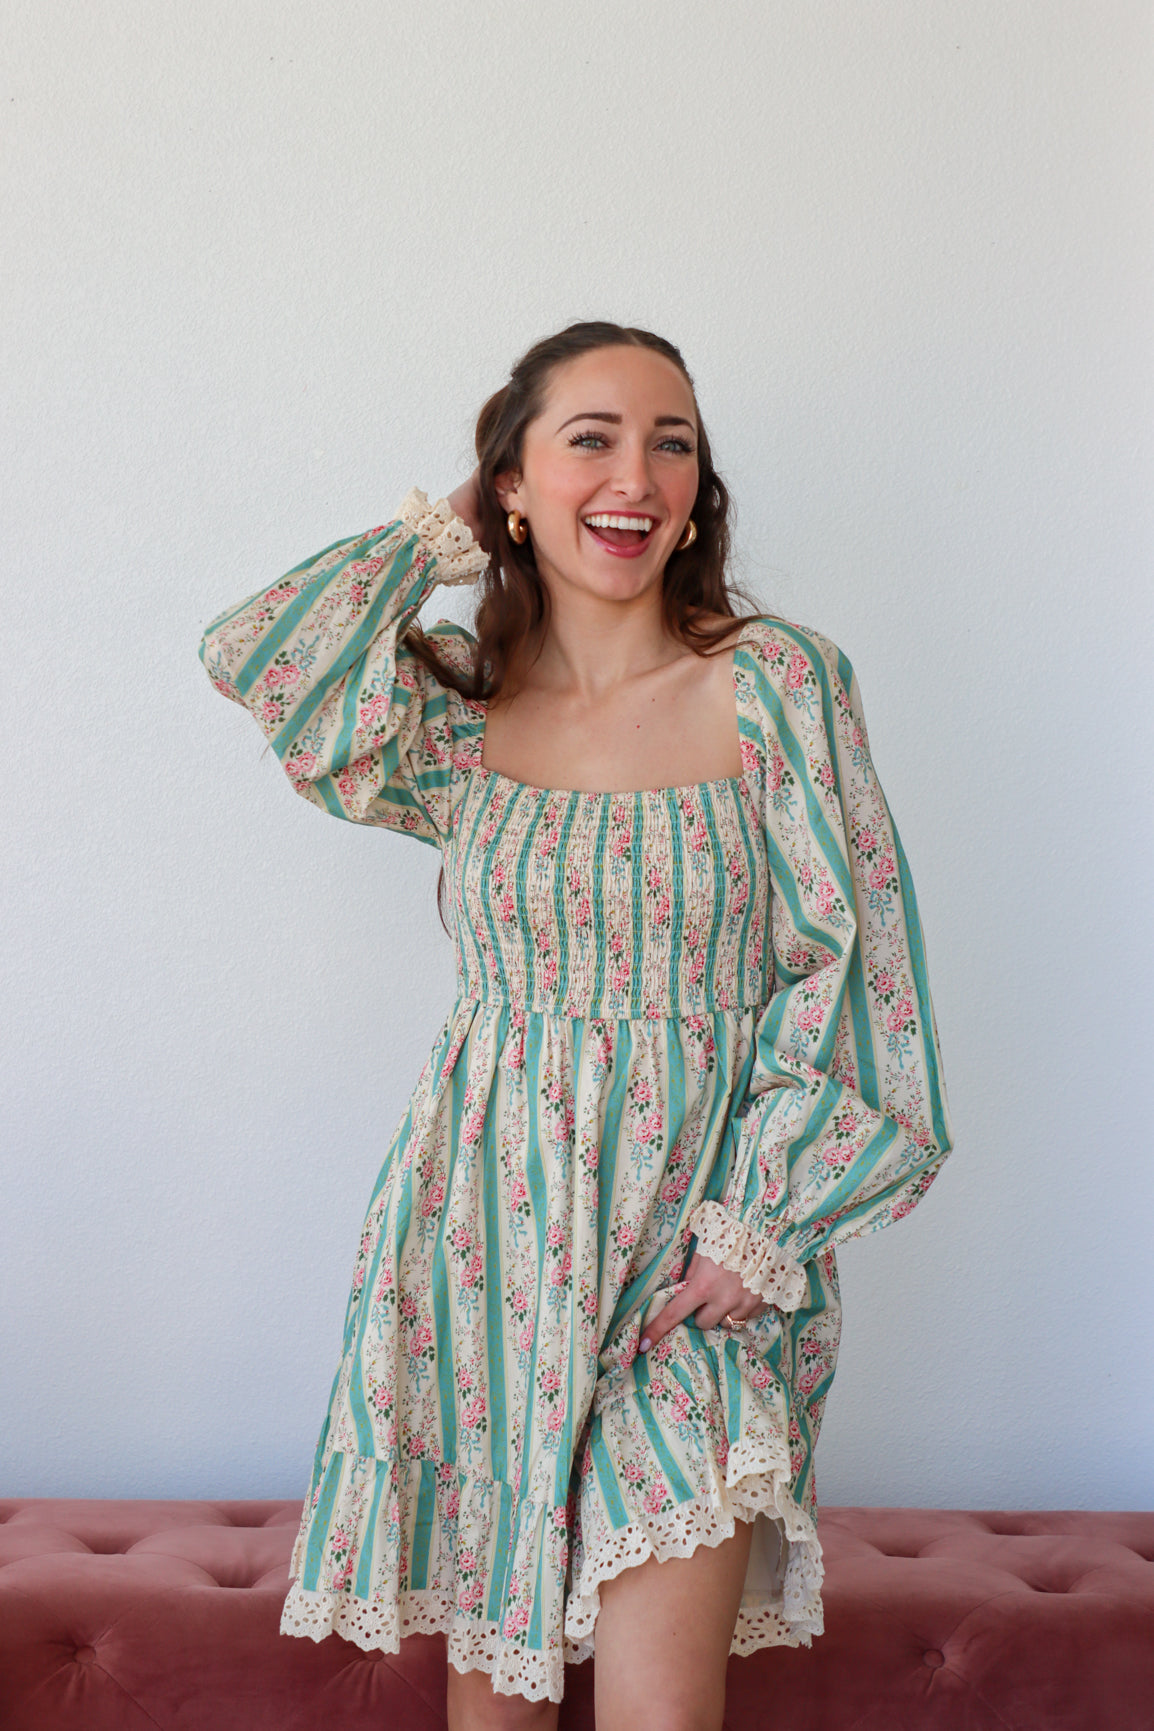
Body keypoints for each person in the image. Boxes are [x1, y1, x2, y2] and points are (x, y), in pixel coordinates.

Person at [198, 320, 954, 1731]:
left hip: (698, 1261)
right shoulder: (459, 721)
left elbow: (861, 974)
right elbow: (263, 658)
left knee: (661, 1719)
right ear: (509, 486)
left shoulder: (780, 686)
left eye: (671, 442)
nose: (636, 474)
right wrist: (431, 533)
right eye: (588, 439)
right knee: (499, 1720)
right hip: (488, 1244)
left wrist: (763, 1229)